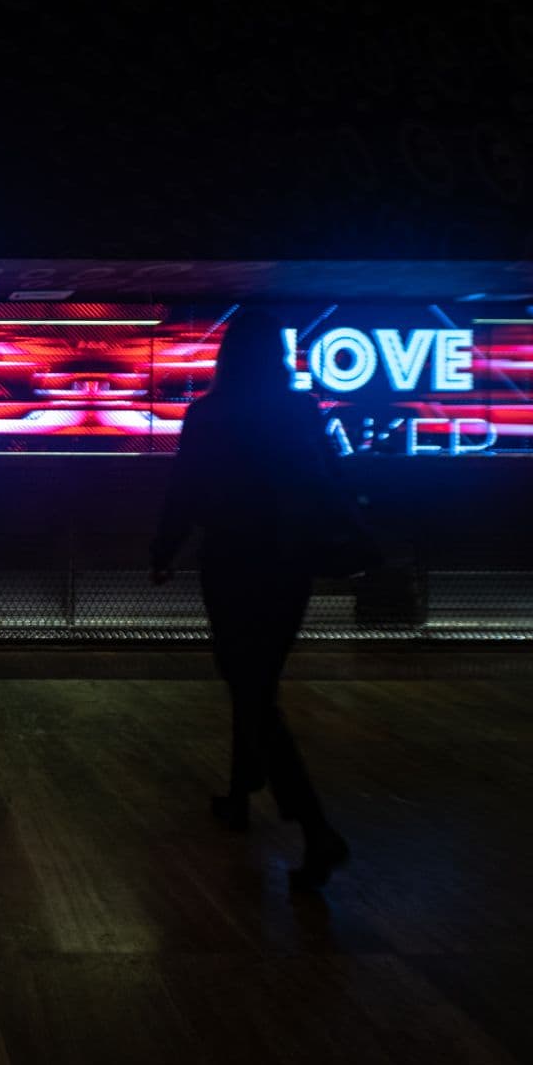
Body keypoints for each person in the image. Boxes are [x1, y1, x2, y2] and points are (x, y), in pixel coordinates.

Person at [149, 308, 351, 890]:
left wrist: (164, 551)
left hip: (232, 561)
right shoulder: (299, 410)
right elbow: (329, 481)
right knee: (259, 681)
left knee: (249, 686)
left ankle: (316, 828)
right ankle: (240, 795)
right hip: (291, 566)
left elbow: (184, 489)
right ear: (279, 358)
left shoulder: (209, 414)